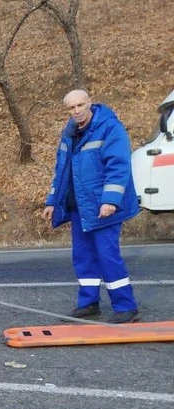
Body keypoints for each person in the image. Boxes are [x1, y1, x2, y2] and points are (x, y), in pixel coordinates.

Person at [43, 90, 139, 323]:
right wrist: (52, 202)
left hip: (102, 206)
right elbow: (61, 171)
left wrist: (110, 201)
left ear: (90, 104)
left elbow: (118, 167)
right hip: (79, 206)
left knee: (107, 255)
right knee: (83, 257)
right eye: (71, 107)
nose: (76, 111)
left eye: (80, 105)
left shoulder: (110, 128)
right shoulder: (69, 133)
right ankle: (88, 304)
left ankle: (126, 307)